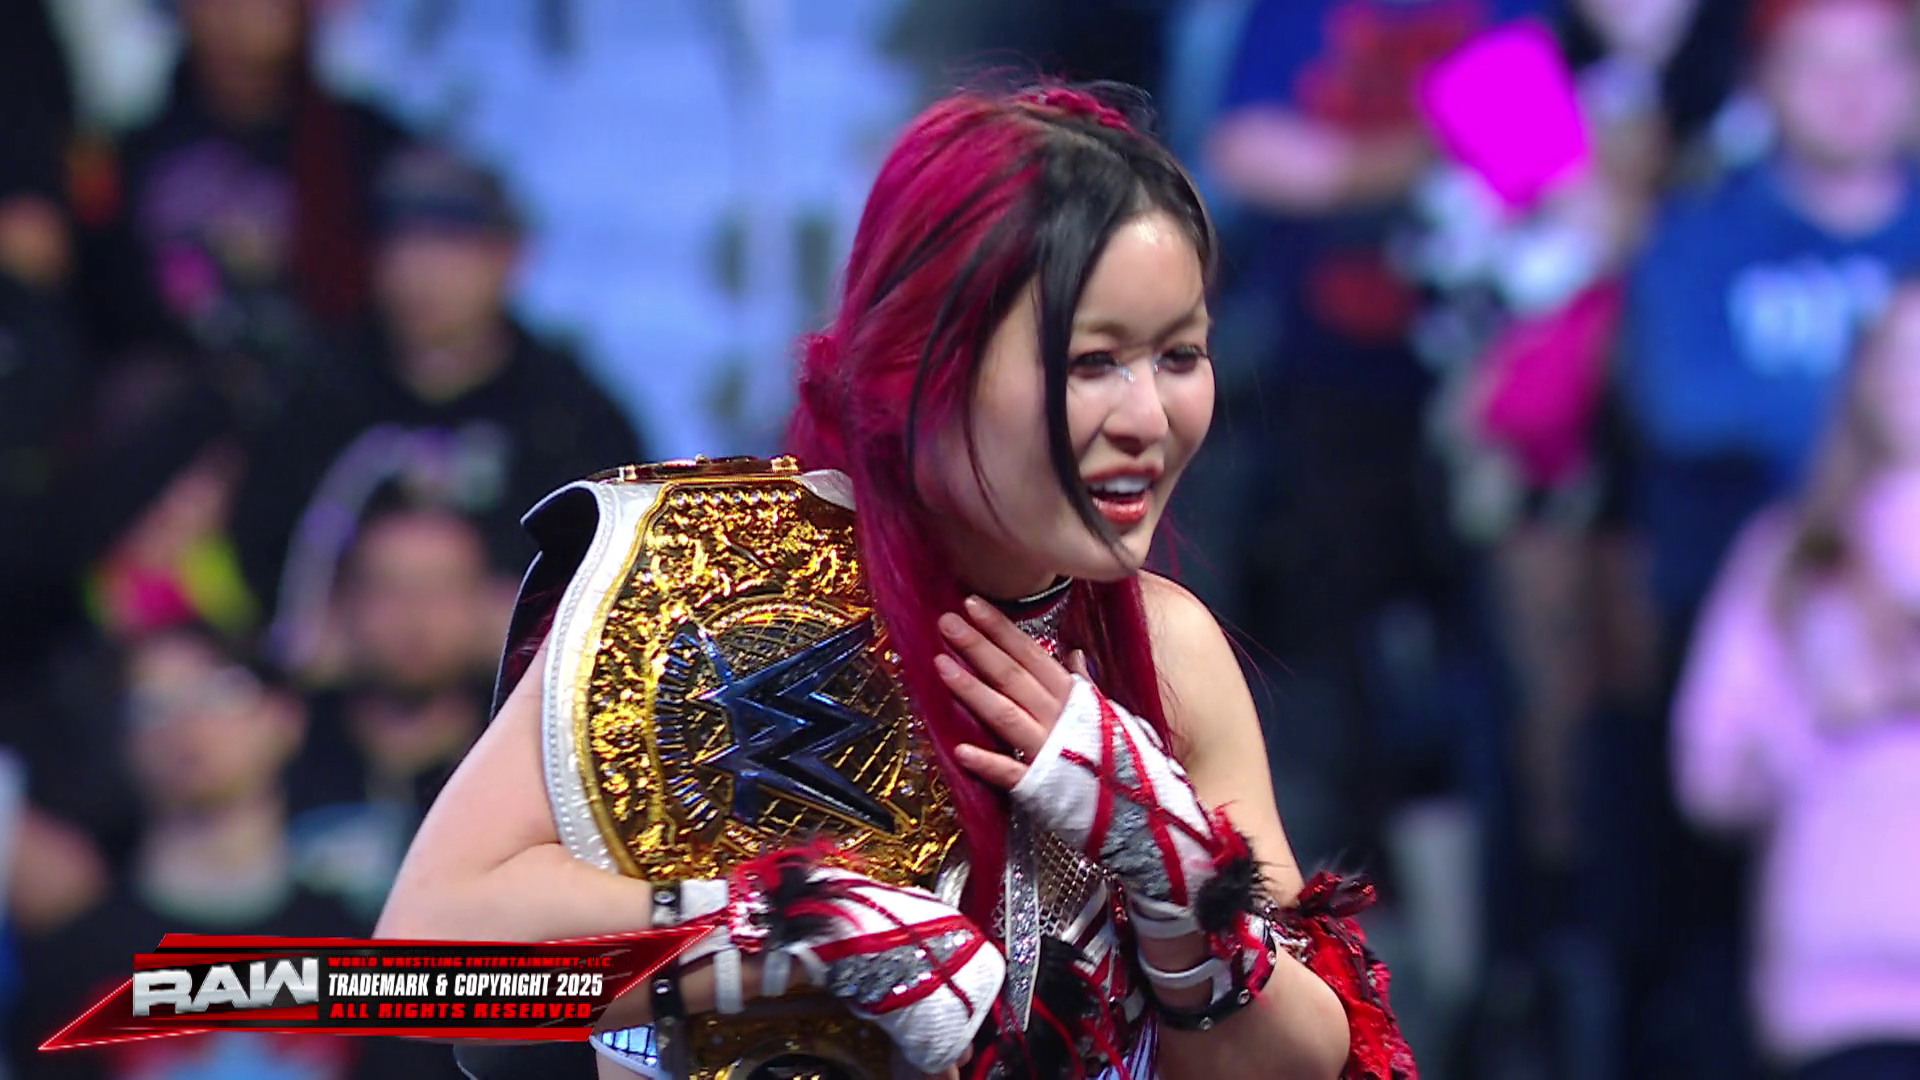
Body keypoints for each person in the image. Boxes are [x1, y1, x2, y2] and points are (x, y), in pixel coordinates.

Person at [377, 83, 1413, 1080]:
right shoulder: (701, 591)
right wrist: (791, 935)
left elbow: (1300, 1065)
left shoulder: (1167, 651)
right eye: (1091, 362)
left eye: (1180, 355)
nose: (1150, 417)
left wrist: (1177, 872)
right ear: (921, 362)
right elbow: (412, 980)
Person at [229, 142, 644, 678]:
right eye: (400, 247)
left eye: (450, 247)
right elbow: (260, 563)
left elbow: (625, 583)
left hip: (515, 701)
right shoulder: (317, 395)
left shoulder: (568, 413)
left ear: (509, 257)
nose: (420, 274)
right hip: (338, 701)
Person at [1673, 279, 1920, 1079]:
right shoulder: (1793, 557)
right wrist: (1817, 718)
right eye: (1901, 357)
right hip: (1844, 990)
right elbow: (1713, 775)